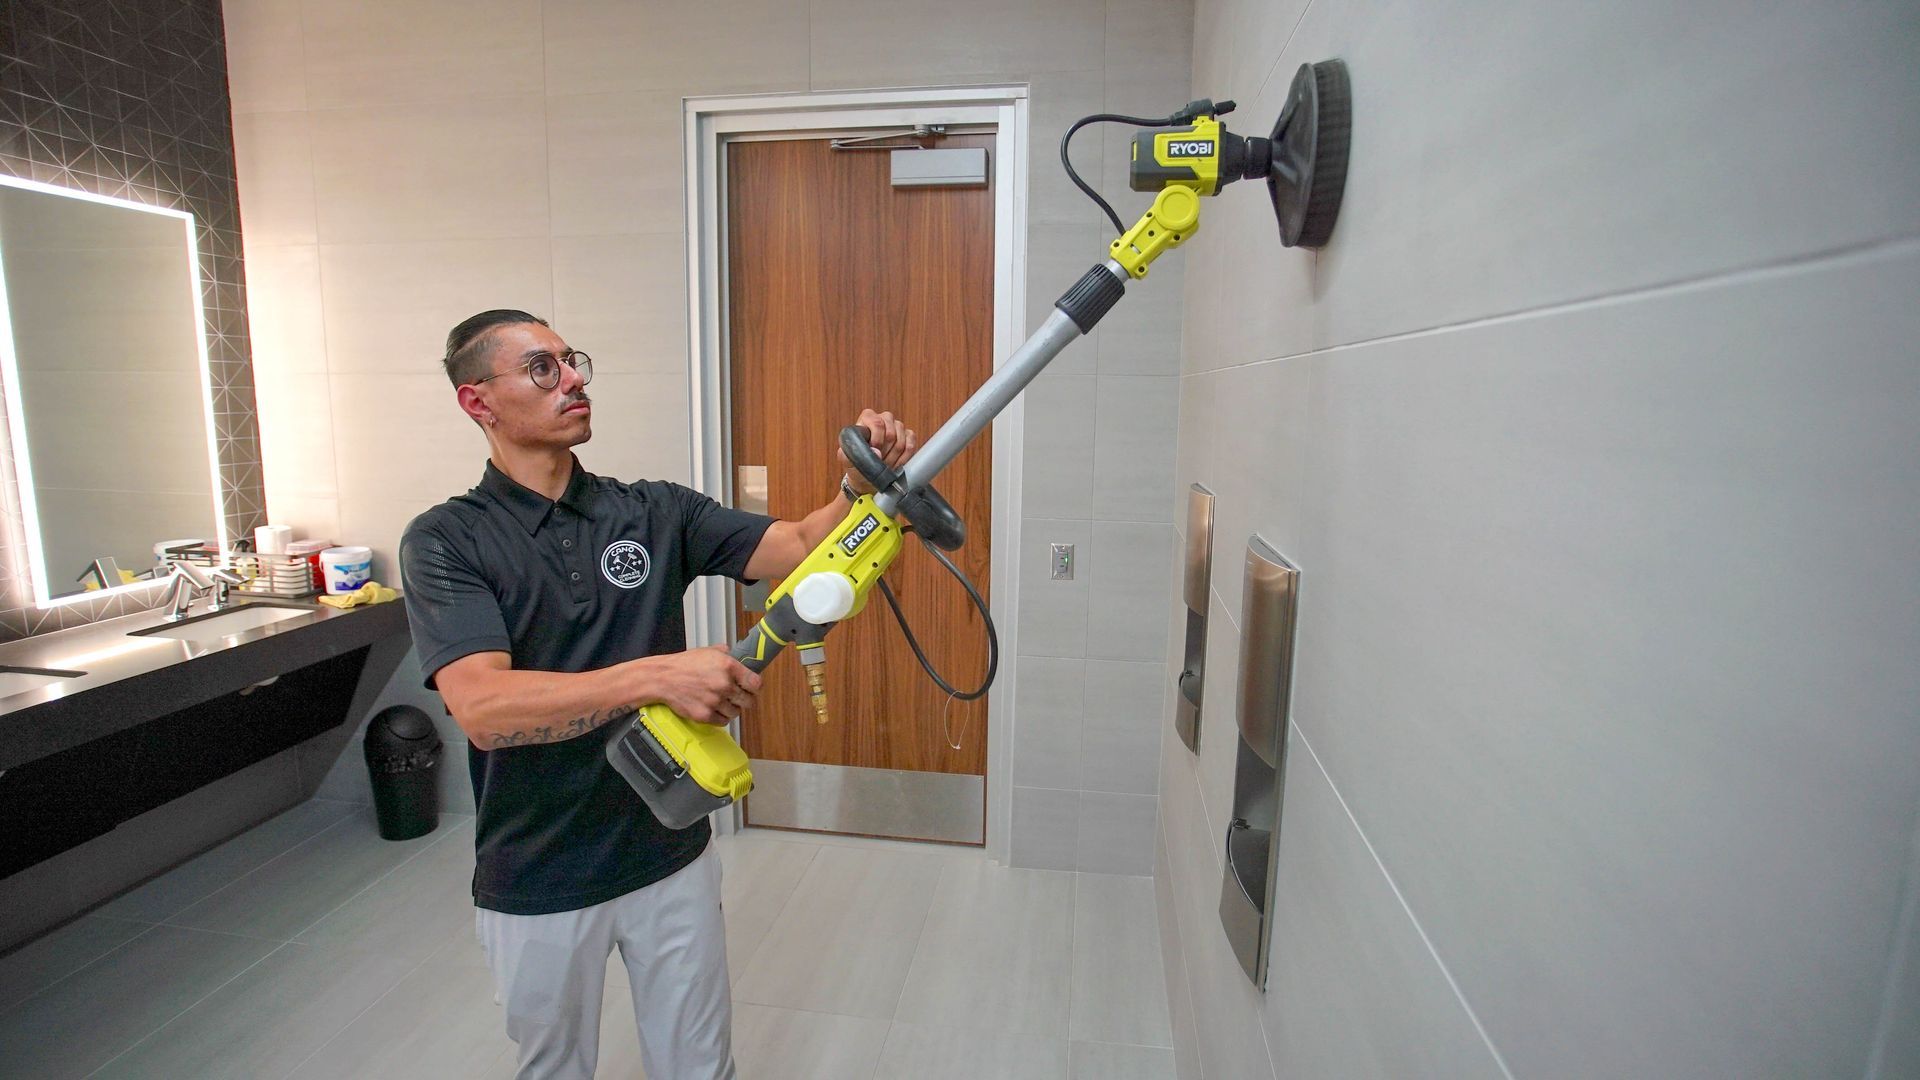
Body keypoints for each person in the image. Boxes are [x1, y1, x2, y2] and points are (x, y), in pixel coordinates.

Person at [399, 309, 916, 1079]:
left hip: (669, 846)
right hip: (539, 869)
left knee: (699, 1065)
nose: (573, 378)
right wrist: (656, 676)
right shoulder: (447, 540)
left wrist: (856, 484)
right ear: (478, 402)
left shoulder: (653, 511)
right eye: (542, 368)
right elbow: (482, 707)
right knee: (554, 1068)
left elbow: (802, 546)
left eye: (571, 360)